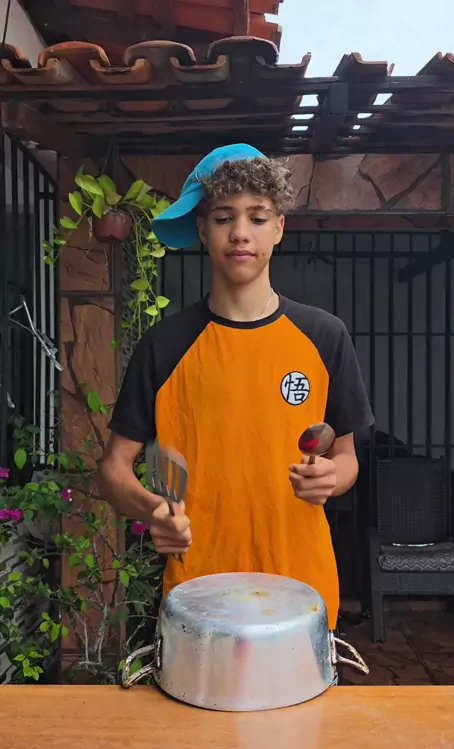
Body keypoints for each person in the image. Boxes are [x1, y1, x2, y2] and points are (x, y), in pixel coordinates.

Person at [98, 143, 374, 632]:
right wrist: (154, 510)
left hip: (302, 592)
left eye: (257, 217)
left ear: (279, 228)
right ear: (202, 228)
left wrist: (331, 478)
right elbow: (113, 468)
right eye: (224, 217)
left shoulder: (324, 336)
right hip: (198, 599)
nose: (240, 232)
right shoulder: (165, 346)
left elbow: (347, 457)